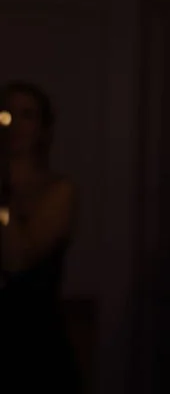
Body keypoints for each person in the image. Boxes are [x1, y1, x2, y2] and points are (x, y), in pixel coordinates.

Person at [0, 81, 81, 392]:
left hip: (35, 348)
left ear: (43, 128)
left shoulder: (59, 191)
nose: (14, 124)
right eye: (6, 114)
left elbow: (18, 259)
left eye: (27, 115)